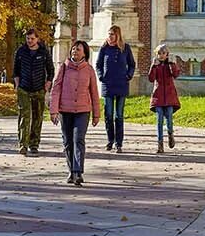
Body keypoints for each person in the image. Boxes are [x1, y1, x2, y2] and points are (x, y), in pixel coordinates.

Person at [48, 40, 100, 186]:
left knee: (79, 139)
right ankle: (71, 171)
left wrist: (96, 114)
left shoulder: (89, 70)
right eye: (73, 49)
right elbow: (56, 89)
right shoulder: (64, 67)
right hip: (66, 110)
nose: (75, 52)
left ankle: (78, 172)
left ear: (85, 53)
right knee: (68, 141)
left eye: (78, 50)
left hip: (83, 110)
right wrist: (54, 111)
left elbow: (94, 93)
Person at [11, 27, 55, 157]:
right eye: (28, 39)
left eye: (32, 39)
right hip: (24, 88)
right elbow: (16, 70)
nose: (30, 41)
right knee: (24, 117)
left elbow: (50, 70)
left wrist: (47, 85)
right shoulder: (21, 51)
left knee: (37, 117)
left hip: (39, 88)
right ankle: (23, 145)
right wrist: (17, 85)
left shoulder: (44, 52)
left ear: (37, 39)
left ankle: (34, 144)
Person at [95, 26, 136, 153]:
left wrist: (128, 75)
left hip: (121, 85)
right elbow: (98, 64)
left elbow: (132, 64)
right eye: (109, 34)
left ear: (118, 35)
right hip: (108, 85)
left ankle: (119, 143)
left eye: (113, 34)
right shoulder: (104, 48)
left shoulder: (125, 48)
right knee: (108, 115)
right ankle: (110, 140)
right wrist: (101, 76)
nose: (110, 36)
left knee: (119, 115)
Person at [148, 44, 181, 153]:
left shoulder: (170, 65)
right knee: (159, 120)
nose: (161, 56)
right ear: (156, 55)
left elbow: (175, 75)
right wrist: (153, 66)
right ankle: (160, 144)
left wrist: (173, 64)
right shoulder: (156, 66)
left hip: (170, 97)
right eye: (159, 53)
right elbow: (151, 79)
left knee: (169, 119)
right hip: (158, 97)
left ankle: (170, 134)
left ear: (167, 54)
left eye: (163, 53)